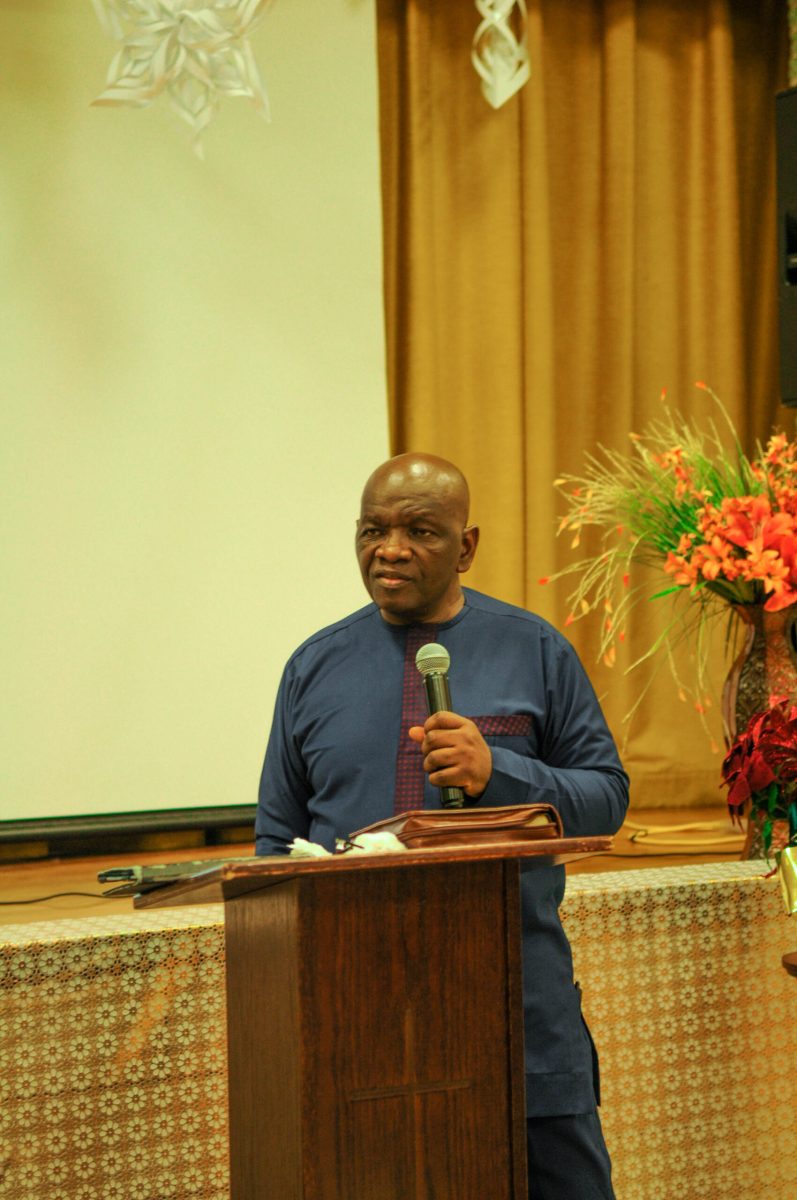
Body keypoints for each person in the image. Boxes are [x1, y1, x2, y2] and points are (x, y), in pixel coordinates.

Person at [256, 452, 629, 1200]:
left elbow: (606, 796)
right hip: (354, 1007)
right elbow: (274, 842)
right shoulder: (313, 666)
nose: (389, 550)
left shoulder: (534, 649)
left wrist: (500, 773)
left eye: (419, 531)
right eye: (373, 530)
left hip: (514, 998)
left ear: (466, 546)